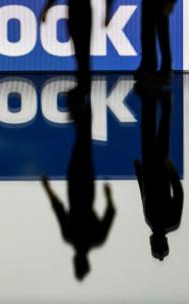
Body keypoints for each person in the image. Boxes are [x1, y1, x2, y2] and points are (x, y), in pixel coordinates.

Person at [41, 104, 115, 281]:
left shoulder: (96, 239)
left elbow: (110, 212)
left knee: (83, 146)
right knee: (82, 146)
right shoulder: (71, 237)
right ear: (79, 262)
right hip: (77, 188)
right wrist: (47, 187)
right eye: (77, 264)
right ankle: (82, 111)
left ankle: (83, 112)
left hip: (85, 189)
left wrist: (107, 195)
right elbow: (58, 208)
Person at [134, 84, 183, 261]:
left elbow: (144, 194)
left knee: (149, 132)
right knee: (160, 133)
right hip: (160, 171)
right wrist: (171, 171)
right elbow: (178, 194)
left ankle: (149, 97)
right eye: (156, 244)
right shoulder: (170, 222)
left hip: (150, 169)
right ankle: (162, 99)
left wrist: (139, 173)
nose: (152, 241)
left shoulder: (153, 221)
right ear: (162, 242)